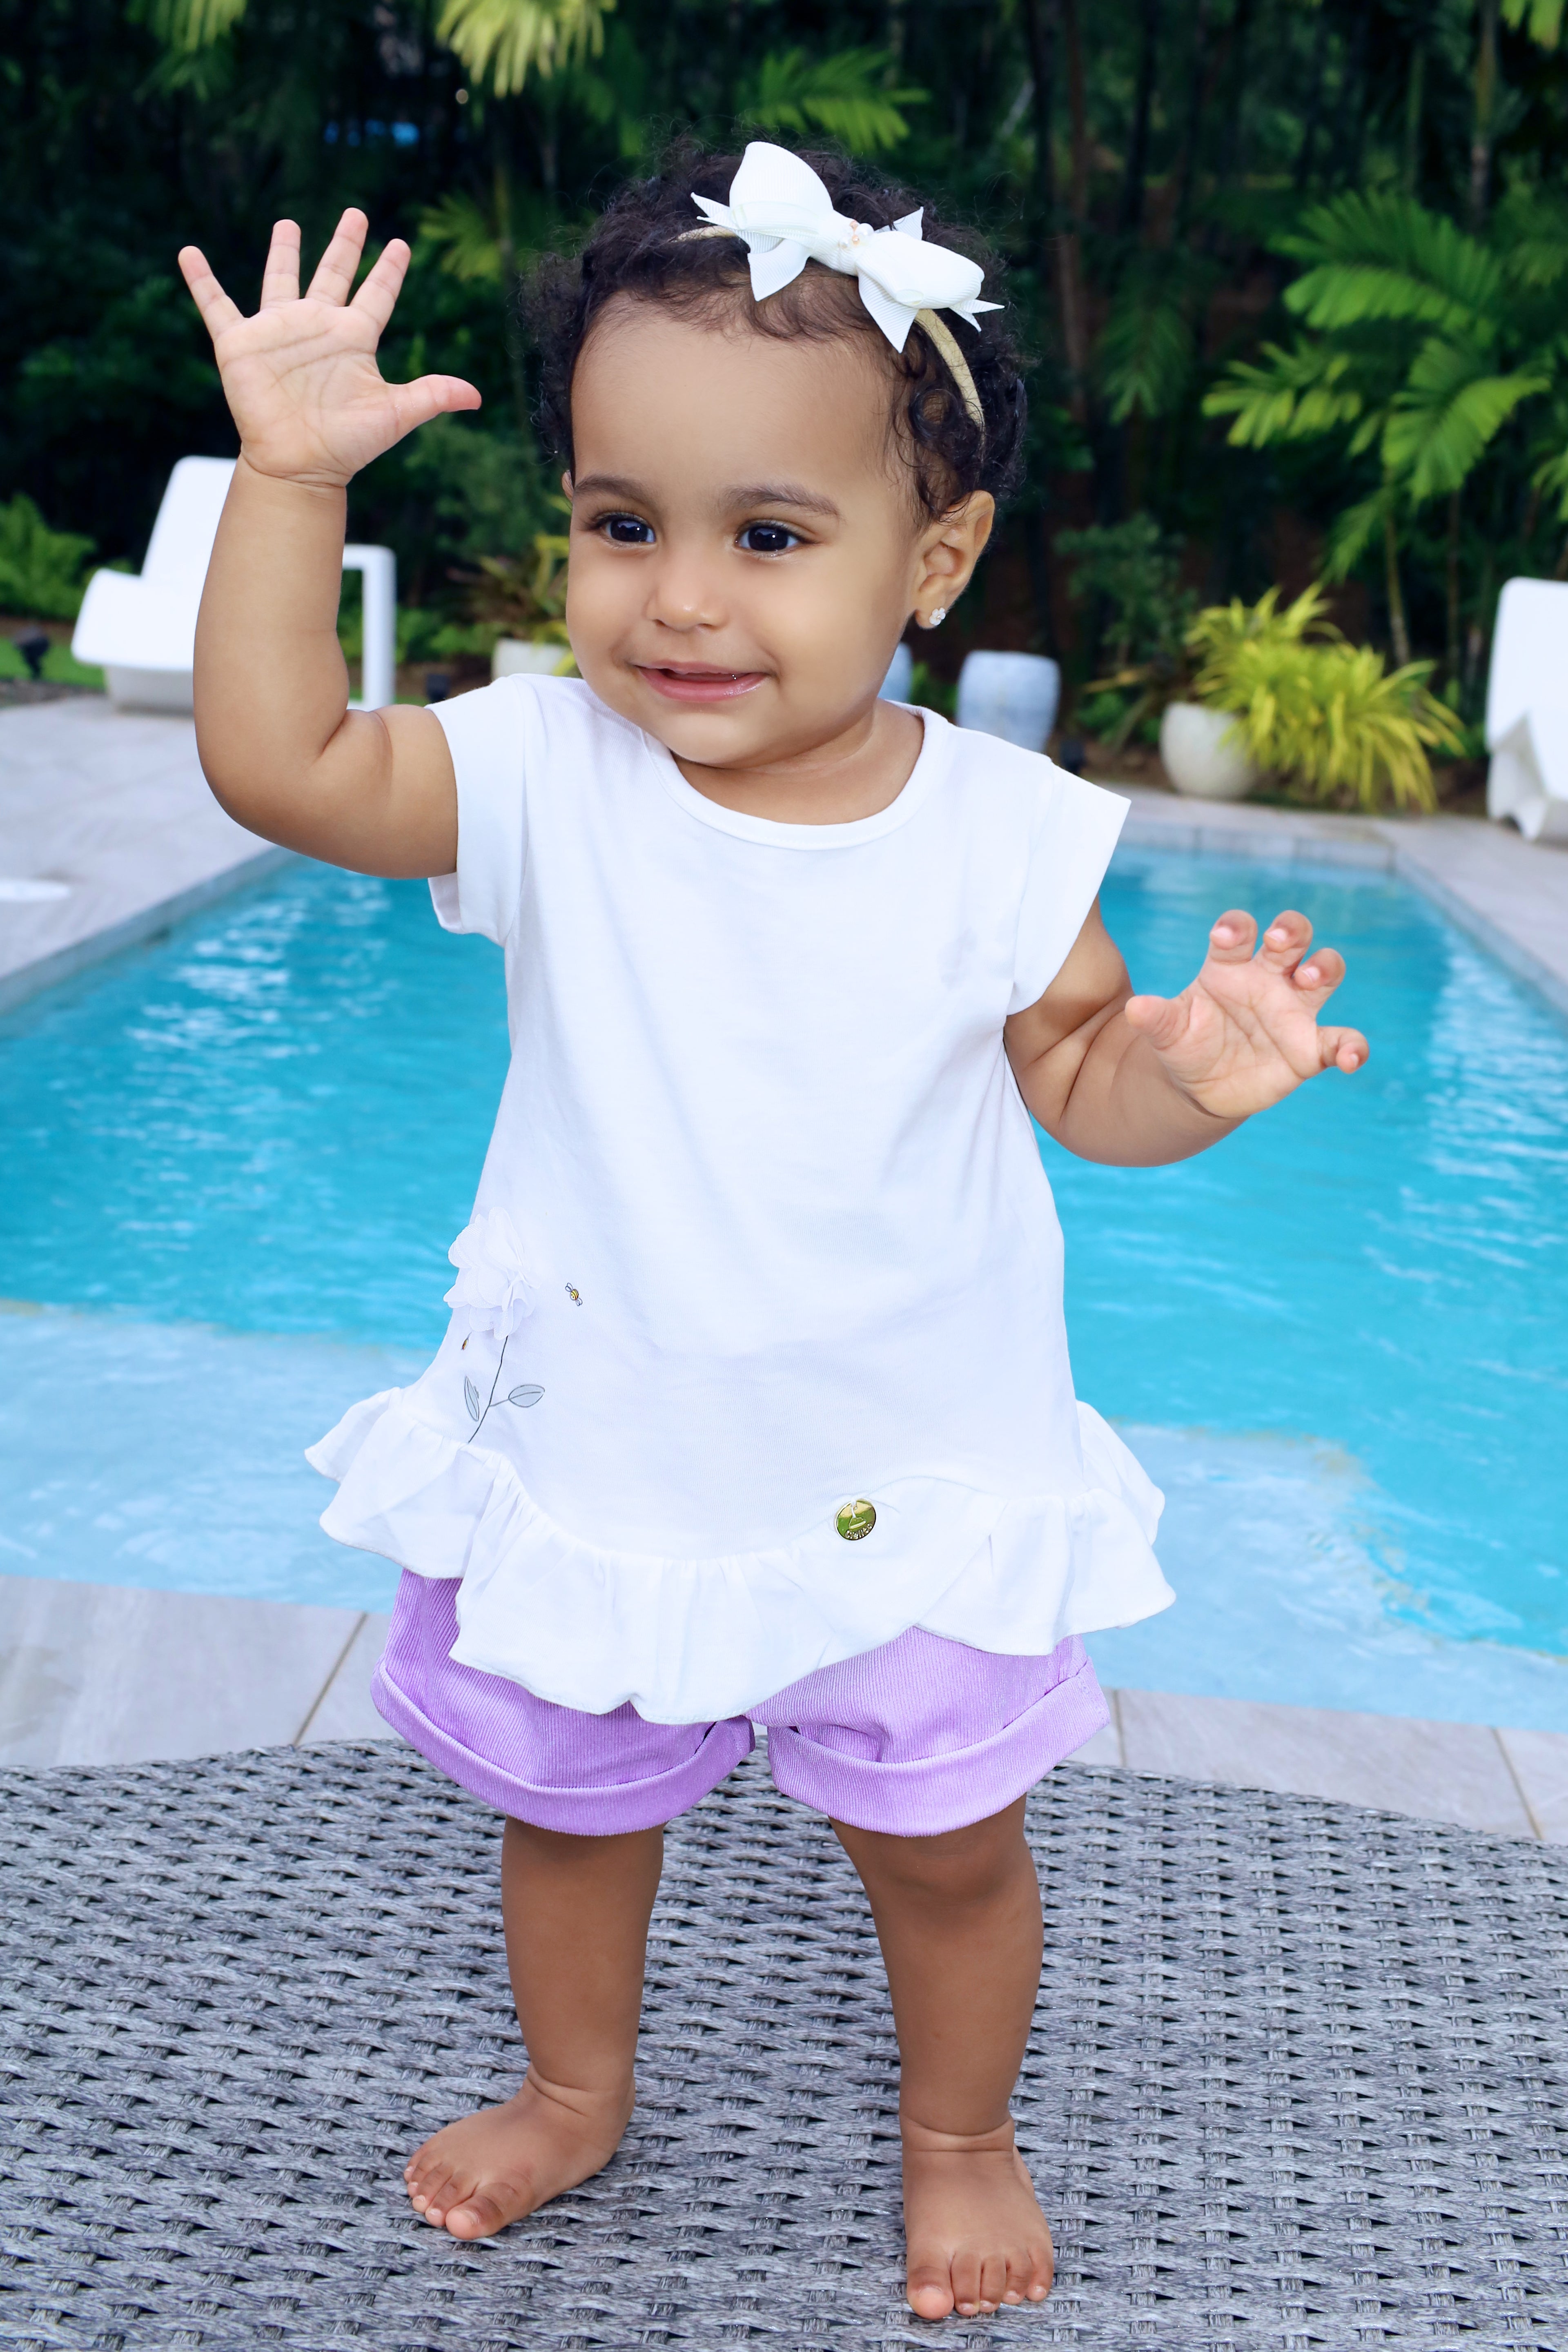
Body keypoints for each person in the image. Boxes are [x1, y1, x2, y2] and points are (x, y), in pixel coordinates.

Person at [178, 142, 1367, 2323]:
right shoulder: (543, 770)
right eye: (623, 525)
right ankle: (574, 2087)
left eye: (770, 536)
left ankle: (957, 2131)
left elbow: (1078, 1082)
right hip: (615, 1449)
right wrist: (287, 485)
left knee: (941, 1848)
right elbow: (280, 766)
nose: (682, 599)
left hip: (902, 1470)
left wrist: (1194, 1074)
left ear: (938, 556)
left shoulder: (1004, 839)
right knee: (574, 1811)